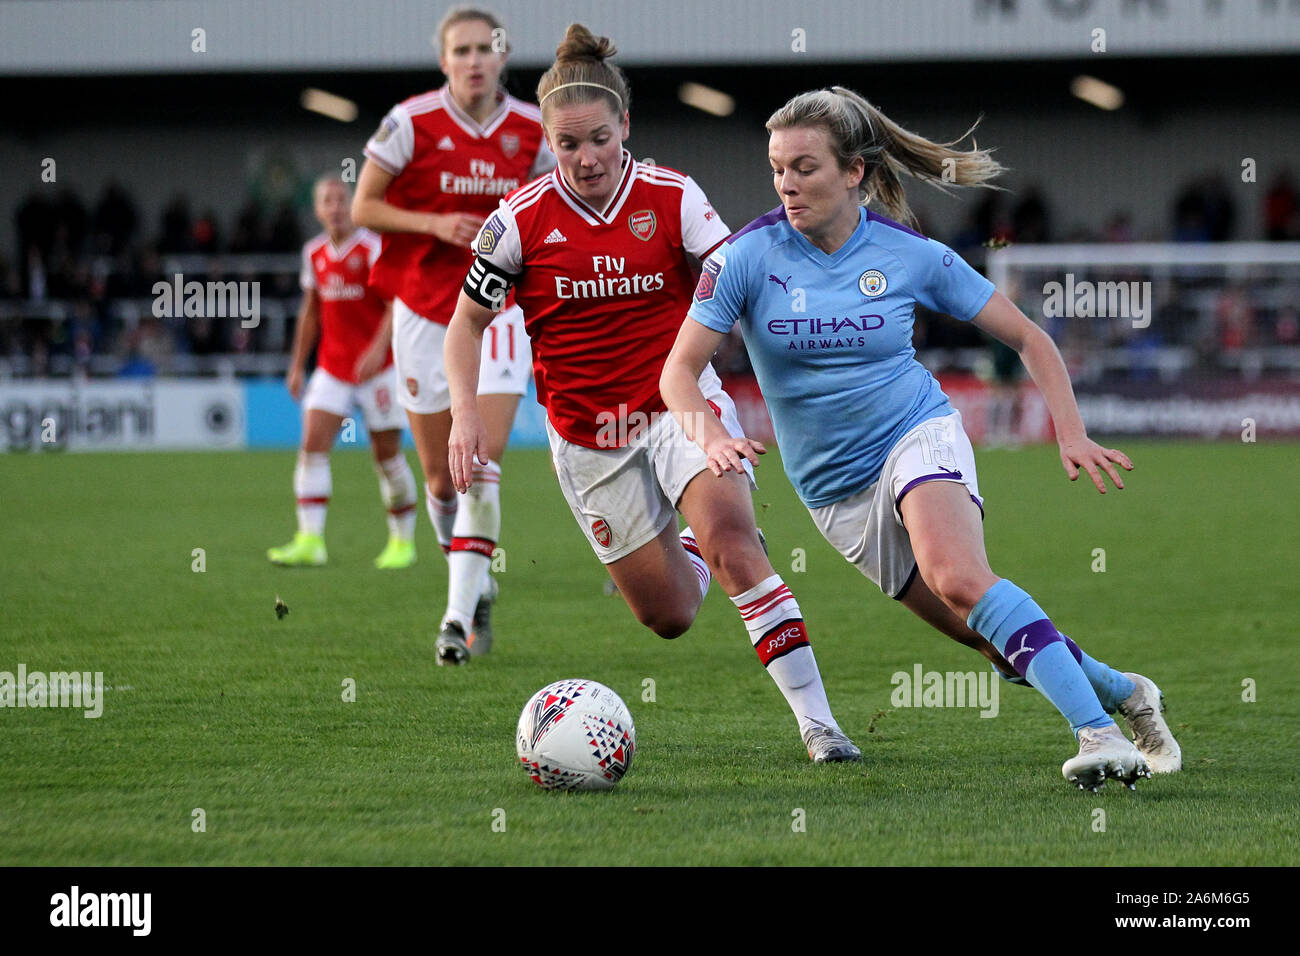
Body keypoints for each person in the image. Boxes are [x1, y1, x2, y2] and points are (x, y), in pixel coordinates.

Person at [661, 86, 1182, 791]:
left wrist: (1071, 432)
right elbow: (679, 374)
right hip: (833, 493)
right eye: (778, 168)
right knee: (989, 637)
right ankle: (1126, 692)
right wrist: (710, 432)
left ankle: (1098, 736)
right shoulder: (747, 257)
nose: (786, 184)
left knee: (959, 576)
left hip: (915, 434)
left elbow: (1027, 335)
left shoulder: (910, 254)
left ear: (855, 172)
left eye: (805, 168)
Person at [445, 24, 860, 763]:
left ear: (624, 126)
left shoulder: (672, 198)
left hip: (681, 407)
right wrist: (465, 416)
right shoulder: (516, 223)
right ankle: (696, 547)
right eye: (567, 145)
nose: (585, 158)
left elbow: (743, 282)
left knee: (739, 548)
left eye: (598, 139)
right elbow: (465, 325)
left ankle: (820, 727)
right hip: (586, 440)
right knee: (669, 615)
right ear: (548, 141)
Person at [352, 6, 556, 662]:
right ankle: (476, 586)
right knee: (441, 481)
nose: (473, 60)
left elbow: (557, 211)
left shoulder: (531, 130)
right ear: (444, 61)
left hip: (496, 313)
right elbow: (363, 207)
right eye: (461, 50)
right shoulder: (410, 123)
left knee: (481, 463)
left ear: (503, 57)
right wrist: (435, 225)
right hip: (421, 312)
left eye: (484, 50)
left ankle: (455, 618)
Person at [268, 176, 417, 569]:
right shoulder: (313, 253)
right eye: (326, 201)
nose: (335, 207)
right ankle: (310, 540)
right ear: (317, 210)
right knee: (312, 447)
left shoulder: (371, 247)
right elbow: (311, 311)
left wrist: (377, 348)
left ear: (351, 204)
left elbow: (395, 302)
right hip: (332, 368)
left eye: (341, 199)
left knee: (386, 456)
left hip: (379, 371)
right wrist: (297, 365)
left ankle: (403, 543)